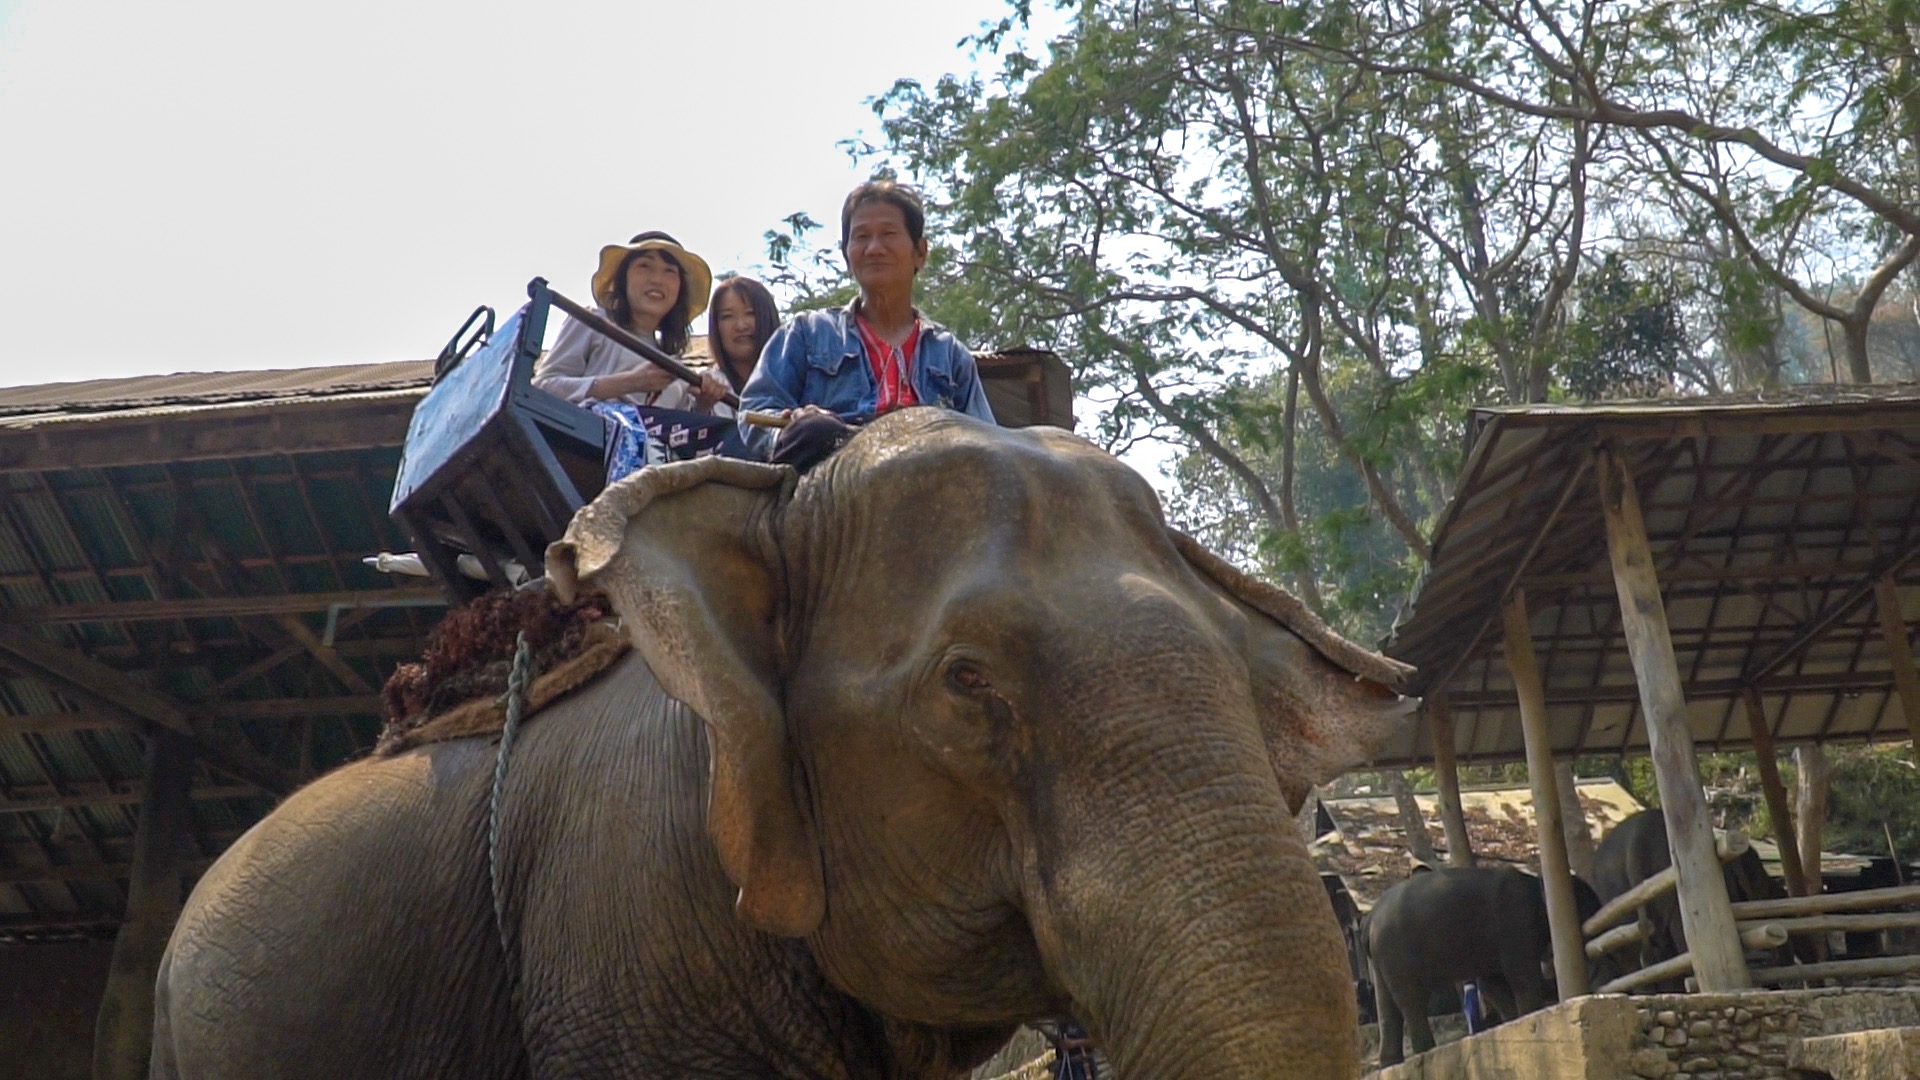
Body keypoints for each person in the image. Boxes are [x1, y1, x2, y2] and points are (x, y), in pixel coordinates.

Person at [738, 181, 994, 468]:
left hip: (932, 487)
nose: (873, 248)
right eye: (861, 237)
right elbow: (755, 410)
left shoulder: (949, 354)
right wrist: (792, 429)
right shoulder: (806, 334)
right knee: (816, 432)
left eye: (888, 234)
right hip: (828, 491)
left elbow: (988, 442)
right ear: (846, 255)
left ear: (920, 252)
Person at [533, 231, 730, 413]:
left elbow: (679, 435)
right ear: (623, 278)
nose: (657, 280)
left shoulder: (677, 371)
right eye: (644, 266)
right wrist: (630, 382)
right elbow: (542, 388)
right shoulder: (591, 322)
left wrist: (704, 403)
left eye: (669, 271)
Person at [704, 276, 780, 413]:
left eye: (750, 313)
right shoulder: (708, 385)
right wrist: (703, 407)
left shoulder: (799, 380)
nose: (740, 326)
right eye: (727, 316)